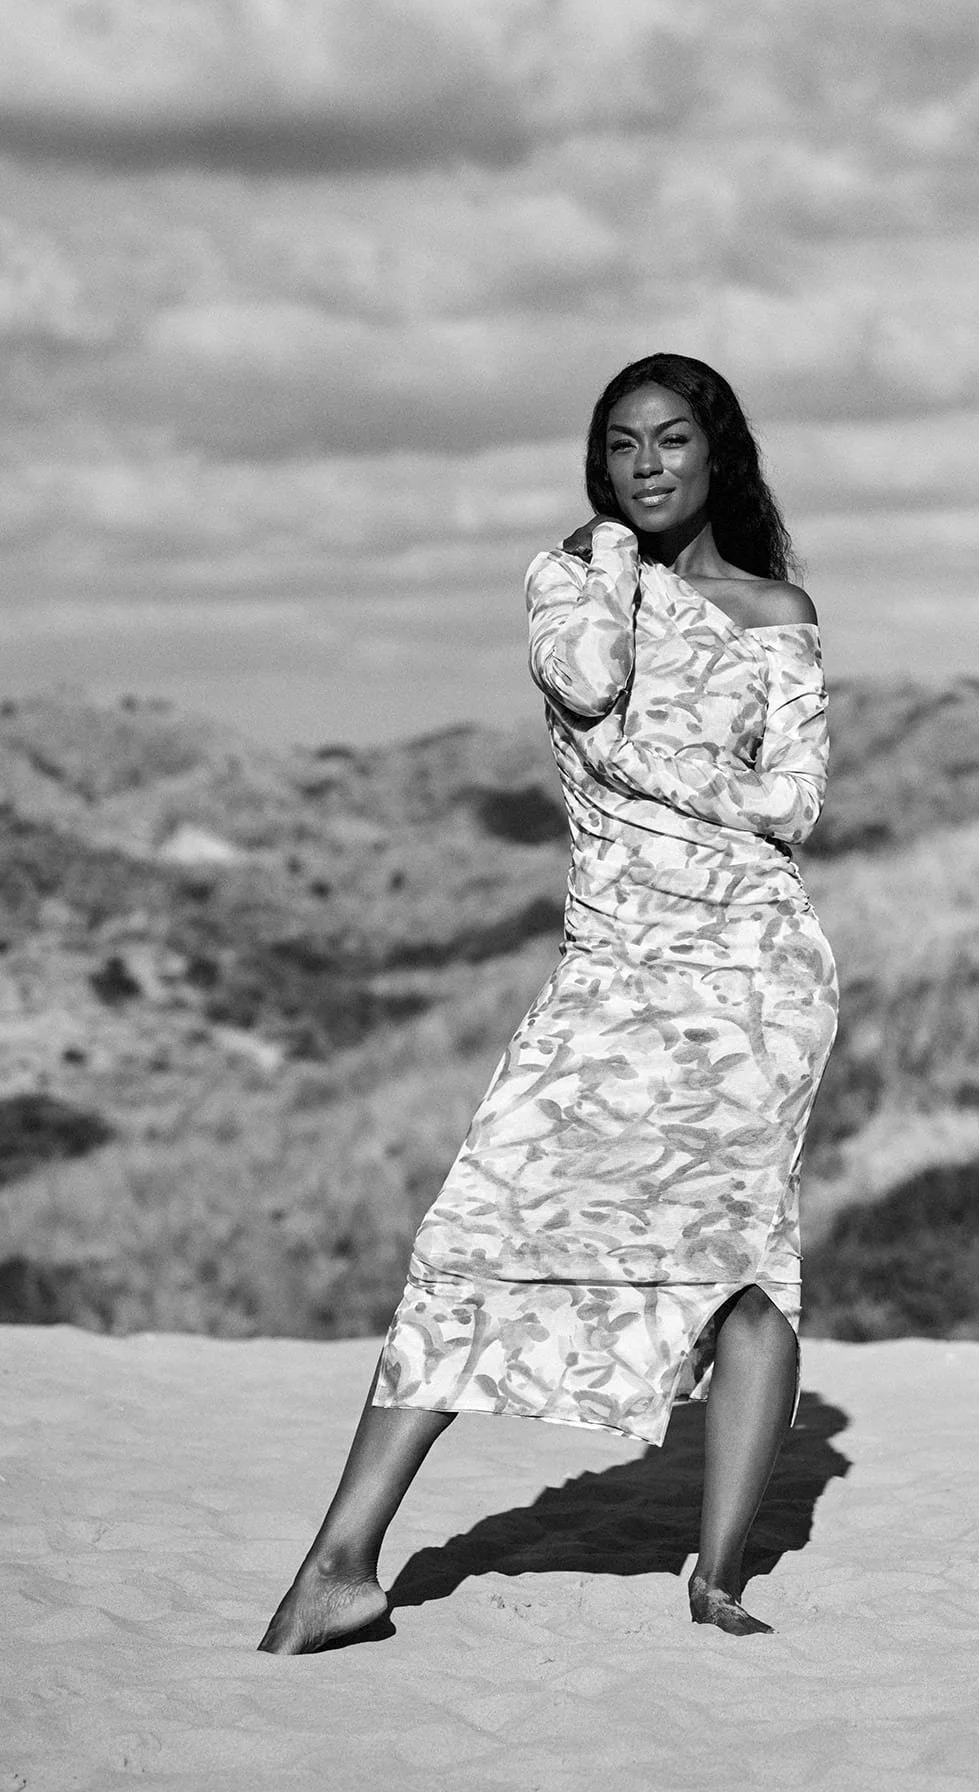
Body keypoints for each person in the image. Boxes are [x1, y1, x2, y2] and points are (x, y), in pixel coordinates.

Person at [258, 353, 840, 1650]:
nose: (647, 463)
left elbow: (793, 803)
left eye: (673, 440)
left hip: (750, 980)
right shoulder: (572, 581)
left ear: (717, 453)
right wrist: (618, 567)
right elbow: (584, 686)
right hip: (613, 972)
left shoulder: (774, 605)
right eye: (624, 443)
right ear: (603, 463)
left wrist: (658, 775)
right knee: (470, 1242)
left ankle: (720, 1576)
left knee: (746, 1274)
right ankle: (341, 1564)